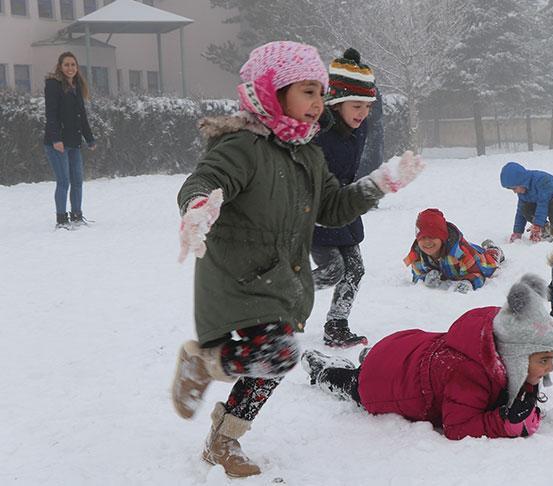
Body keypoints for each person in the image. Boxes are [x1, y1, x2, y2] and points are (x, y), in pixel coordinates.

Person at [169, 41, 424, 478]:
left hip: (281, 280)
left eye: (321, 93)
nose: (318, 103)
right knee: (279, 354)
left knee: (272, 364)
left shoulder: (307, 151)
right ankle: (201, 364)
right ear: (273, 90)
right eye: (308, 91)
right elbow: (205, 180)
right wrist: (198, 207)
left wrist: (380, 183)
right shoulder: (242, 146)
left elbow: (332, 208)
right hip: (238, 277)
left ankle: (222, 440)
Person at [300, 274, 553, 440]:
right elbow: (457, 427)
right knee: (354, 383)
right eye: (543, 360)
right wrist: (501, 423)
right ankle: (324, 370)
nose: (550, 367)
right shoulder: (470, 373)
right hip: (384, 383)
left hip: (405, 347)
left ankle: (371, 357)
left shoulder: (496, 339)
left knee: (383, 361)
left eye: (552, 358)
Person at [311, 48, 378, 348]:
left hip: (345, 205)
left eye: (367, 105)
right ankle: (281, 298)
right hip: (315, 211)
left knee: (355, 268)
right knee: (331, 270)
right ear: (336, 103)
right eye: (356, 105)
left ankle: (336, 324)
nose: (362, 112)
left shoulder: (359, 126)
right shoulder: (317, 129)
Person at [43, 52, 96, 230]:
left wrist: (90, 139)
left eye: (73, 65)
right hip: (57, 143)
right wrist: (56, 139)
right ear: (60, 66)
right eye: (66, 65)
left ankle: (77, 215)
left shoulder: (77, 86)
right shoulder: (53, 85)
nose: (70, 68)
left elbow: (81, 116)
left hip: (74, 142)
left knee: (78, 181)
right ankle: (61, 219)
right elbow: (51, 114)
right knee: (64, 181)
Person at [404, 208, 503, 293]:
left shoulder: (460, 253)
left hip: (477, 259)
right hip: (462, 256)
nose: (427, 242)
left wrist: (468, 282)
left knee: (490, 259)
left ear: (442, 237)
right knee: (472, 248)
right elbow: (416, 275)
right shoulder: (417, 253)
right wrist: (425, 278)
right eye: (422, 238)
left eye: (432, 237)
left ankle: (493, 248)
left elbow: (478, 274)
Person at [499, 161, 553, 242]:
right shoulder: (522, 190)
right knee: (525, 208)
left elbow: (543, 203)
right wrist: (517, 232)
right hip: (544, 203)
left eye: (514, 188)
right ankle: (545, 229)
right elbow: (520, 211)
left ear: (521, 182)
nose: (514, 192)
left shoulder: (542, 180)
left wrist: (537, 226)